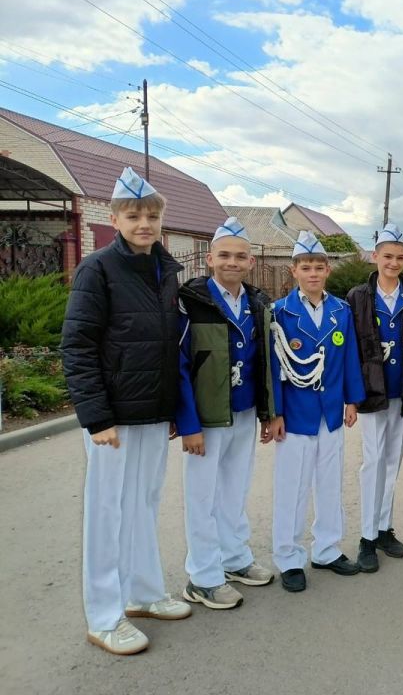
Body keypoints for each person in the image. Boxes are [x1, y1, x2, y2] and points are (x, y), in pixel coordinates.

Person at [62, 167, 192, 656]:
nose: (144, 223)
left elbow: (169, 346)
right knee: (106, 512)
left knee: (143, 504)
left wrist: (173, 408)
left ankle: (141, 593)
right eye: (134, 215)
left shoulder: (165, 270)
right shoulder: (97, 268)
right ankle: (104, 615)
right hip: (112, 417)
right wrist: (96, 417)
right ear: (114, 218)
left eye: (152, 215)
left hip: (152, 413)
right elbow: (78, 345)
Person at [175, 217, 275, 610]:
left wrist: (268, 412)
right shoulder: (192, 301)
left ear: (250, 261)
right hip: (207, 416)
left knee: (235, 489)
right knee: (202, 495)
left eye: (240, 256)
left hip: (245, 409)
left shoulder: (255, 303)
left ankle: (234, 559)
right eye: (224, 255)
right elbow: (180, 364)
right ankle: (202, 576)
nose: (232, 262)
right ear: (209, 258)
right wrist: (188, 423)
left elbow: (265, 360)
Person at [265, 231, 366, 593]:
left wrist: (353, 399)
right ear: (293, 271)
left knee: (330, 483)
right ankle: (289, 557)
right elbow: (272, 368)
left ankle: (326, 548)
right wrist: (274, 413)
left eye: (318, 267)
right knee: (292, 487)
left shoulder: (340, 310)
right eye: (305, 267)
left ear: (327, 270)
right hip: (295, 414)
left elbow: (350, 357)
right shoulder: (279, 313)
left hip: (330, 412)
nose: (312, 273)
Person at [346, 223, 403, 573]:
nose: (393, 263)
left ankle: (383, 528)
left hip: (401, 393)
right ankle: (366, 538)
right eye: (387, 256)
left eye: (400, 257)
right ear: (375, 256)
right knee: (372, 462)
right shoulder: (359, 296)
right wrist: (350, 393)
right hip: (372, 392)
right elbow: (347, 348)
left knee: (392, 461)